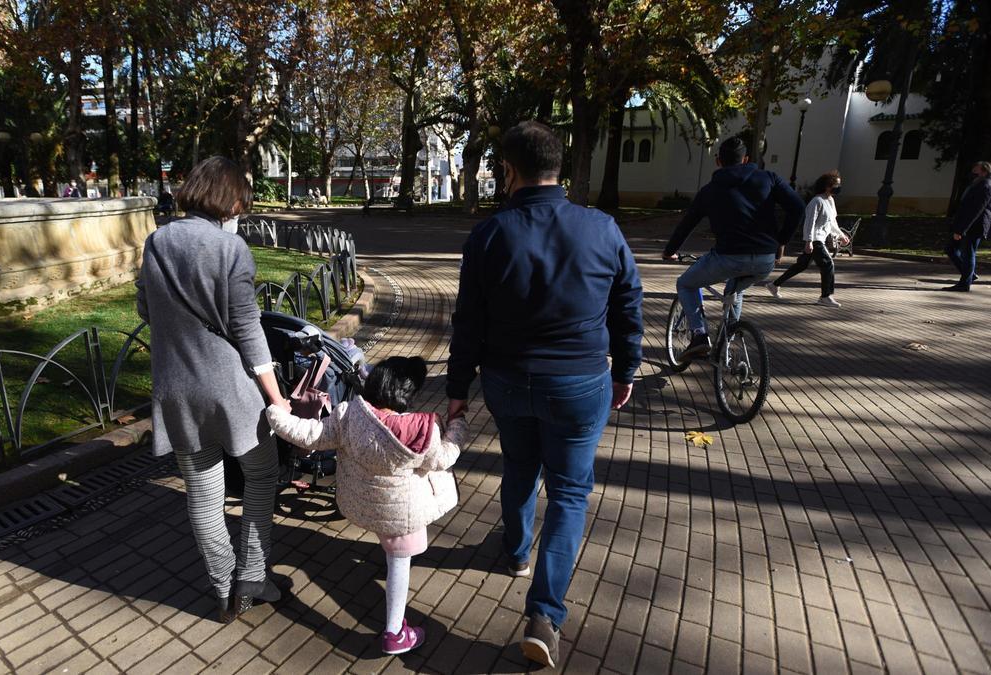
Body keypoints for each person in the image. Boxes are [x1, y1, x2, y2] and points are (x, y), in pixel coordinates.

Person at [446, 121, 643, 669]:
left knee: (519, 467)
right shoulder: (602, 229)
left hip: (507, 381)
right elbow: (629, 306)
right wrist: (626, 369)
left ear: (509, 170)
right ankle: (544, 615)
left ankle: (514, 552)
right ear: (559, 166)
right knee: (571, 493)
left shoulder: (489, 235)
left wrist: (457, 391)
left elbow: (468, 323)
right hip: (581, 383)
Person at [135, 156, 290, 623]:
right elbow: (248, 328)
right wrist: (277, 397)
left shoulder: (157, 241)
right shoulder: (231, 247)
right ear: (229, 198)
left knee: (203, 493)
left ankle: (223, 593)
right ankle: (253, 579)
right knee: (262, 476)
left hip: (176, 388)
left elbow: (145, 309)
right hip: (231, 388)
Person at [266, 356, 466, 655]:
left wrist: (275, 411)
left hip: (360, 503)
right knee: (399, 559)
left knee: (388, 540)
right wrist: (458, 423)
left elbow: (310, 434)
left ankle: (390, 575)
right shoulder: (422, 430)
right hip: (402, 514)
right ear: (407, 394)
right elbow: (445, 457)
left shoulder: (348, 415)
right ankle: (395, 632)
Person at [663, 137, 805, 361]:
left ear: (718, 161)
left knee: (686, 283)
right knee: (735, 290)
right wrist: (781, 241)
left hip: (727, 258)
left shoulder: (709, 190)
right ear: (746, 159)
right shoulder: (769, 178)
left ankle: (700, 336)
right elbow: (797, 208)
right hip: (764, 260)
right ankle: (727, 342)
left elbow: (687, 224)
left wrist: (669, 250)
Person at [765, 170, 851, 307]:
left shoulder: (830, 201)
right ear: (827, 185)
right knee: (828, 264)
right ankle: (826, 296)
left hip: (820, 239)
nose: (838, 188)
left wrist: (841, 235)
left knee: (801, 265)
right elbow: (809, 222)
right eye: (836, 185)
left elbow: (832, 222)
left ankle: (774, 285)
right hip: (816, 239)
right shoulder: (816, 201)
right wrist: (809, 241)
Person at [943, 161, 991, 292]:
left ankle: (964, 284)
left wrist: (961, 230)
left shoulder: (986, 186)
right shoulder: (977, 184)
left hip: (974, 227)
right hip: (966, 226)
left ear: (984, 172)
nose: (973, 171)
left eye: (976, 169)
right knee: (951, 249)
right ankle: (970, 275)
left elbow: (975, 211)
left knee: (968, 254)